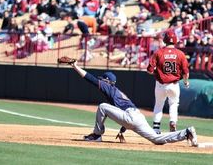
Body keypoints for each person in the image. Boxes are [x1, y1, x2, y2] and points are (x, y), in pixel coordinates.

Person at [67, 60, 197, 146]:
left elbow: (91, 79)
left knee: (102, 107)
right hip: (137, 117)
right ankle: (187, 132)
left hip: (130, 117)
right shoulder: (119, 93)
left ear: (107, 81)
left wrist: (75, 66)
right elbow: (126, 113)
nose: (101, 82)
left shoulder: (109, 88)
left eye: (103, 80)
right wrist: (123, 129)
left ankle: (97, 135)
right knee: (157, 140)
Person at [147, 31, 190, 134]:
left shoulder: (159, 52)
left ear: (165, 40)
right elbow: (185, 72)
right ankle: (172, 122)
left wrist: (157, 73)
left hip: (160, 84)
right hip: (174, 84)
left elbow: (149, 70)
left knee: (158, 105)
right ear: (175, 40)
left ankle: (156, 128)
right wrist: (186, 82)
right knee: (174, 104)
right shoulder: (180, 54)